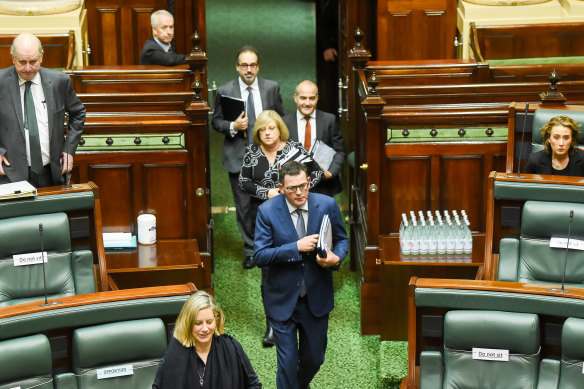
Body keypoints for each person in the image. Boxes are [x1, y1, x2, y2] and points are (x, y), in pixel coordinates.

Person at [254, 161, 349, 389]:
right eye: (292, 188)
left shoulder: (326, 204)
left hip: (316, 297)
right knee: (287, 364)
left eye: (303, 186)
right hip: (282, 299)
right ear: (281, 187)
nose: (299, 193)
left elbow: (342, 239)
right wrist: (295, 247)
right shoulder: (266, 211)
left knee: (314, 359)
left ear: (309, 182)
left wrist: (337, 258)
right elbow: (260, 255)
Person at [239, 110, 324, 348]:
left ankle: (302, 315)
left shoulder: (294, 149)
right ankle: (272, 324)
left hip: (294, 217)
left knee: (296, 262)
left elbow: (316, 173)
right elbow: (243, 182)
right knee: (268, 269)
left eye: (271, 129)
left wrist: (296, 192)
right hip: (264, 217)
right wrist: (267, 193)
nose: (267, 133)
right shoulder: (251, 152)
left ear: (280, 130)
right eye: (263, 130)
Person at [212, 46, 284, 269]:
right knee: (244, 207)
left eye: (252, 65)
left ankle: (269, 246)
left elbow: (281, 119)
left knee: (268, 204)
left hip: (268, 157)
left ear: (258, 66)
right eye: (244, 65)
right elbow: (216, 122)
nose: (249, 69)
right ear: (237, 67)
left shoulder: (272, 88)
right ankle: (251, 250)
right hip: (239, 158)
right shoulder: (224, 90)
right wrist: (233, 126)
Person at [0, 33, 85, 188]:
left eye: (33, 61)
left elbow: (78, 113)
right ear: (12, 58)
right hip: (11, 174)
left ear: (41, 57)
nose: (28, 68)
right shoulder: (1, 82)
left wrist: (69, 149)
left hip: (52, 173)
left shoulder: (60, 81)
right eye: (22, 62)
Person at [152, 290, 262, 389]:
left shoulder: (231, 347)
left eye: (209, 322)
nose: (205, 329)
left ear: (216, 320)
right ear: (188, 324)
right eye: (198, 323)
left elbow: (254, 384)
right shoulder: (175, 350)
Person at [283, 80, 346, 197]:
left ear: (317, 98)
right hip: (295, 185)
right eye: (303, 98)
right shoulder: (284, 122)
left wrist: (330, 173)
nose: (307, 103)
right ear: (295, 98)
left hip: (323, 184)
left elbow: (340, 151)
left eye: (311, 98)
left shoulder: (329, 120)